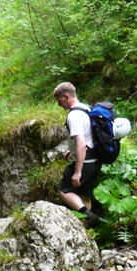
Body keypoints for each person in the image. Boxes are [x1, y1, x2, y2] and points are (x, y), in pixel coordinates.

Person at [54, 82, 102, 227]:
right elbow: (89, 136)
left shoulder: (74, 115)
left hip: (85, 162)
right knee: (84, 193)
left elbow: (82, 143)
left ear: (66, 96)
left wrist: (78, 172)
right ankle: (92, 224)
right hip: (96, 160)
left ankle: (89, 216)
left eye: (59, 101)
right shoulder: (87, 108)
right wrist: (72, 150)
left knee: (63, 190)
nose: (59, 105)